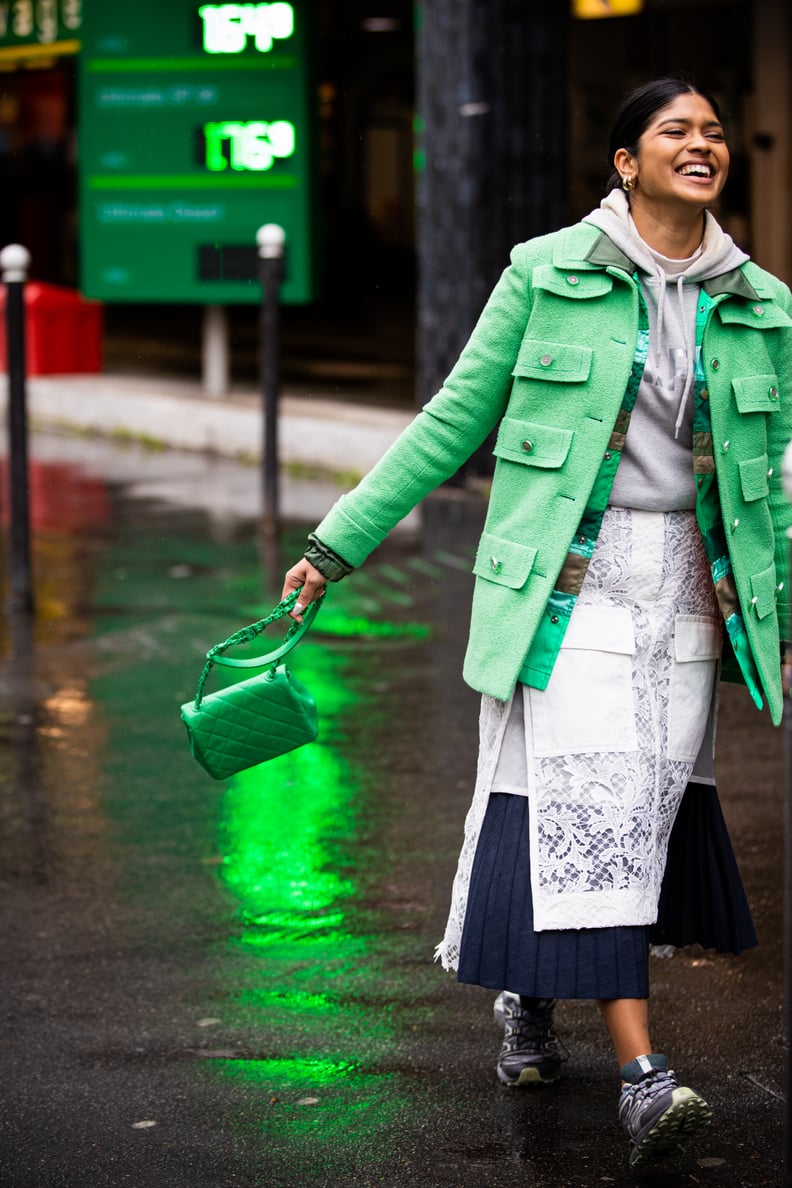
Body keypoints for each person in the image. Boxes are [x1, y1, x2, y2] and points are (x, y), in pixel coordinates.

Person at [281, 78, 792, 1168]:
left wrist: (780, 615)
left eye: (712, 133)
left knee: (635, 812)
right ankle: (644, 1075)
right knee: (589, 809)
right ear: (626, 161)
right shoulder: (546, 273)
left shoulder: (762, 303)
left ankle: (526, 988)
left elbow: (777, 481)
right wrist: (337, 544)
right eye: (675, 132)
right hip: (569, 585)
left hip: (687, 592)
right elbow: (450, 419)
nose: (701, 146)